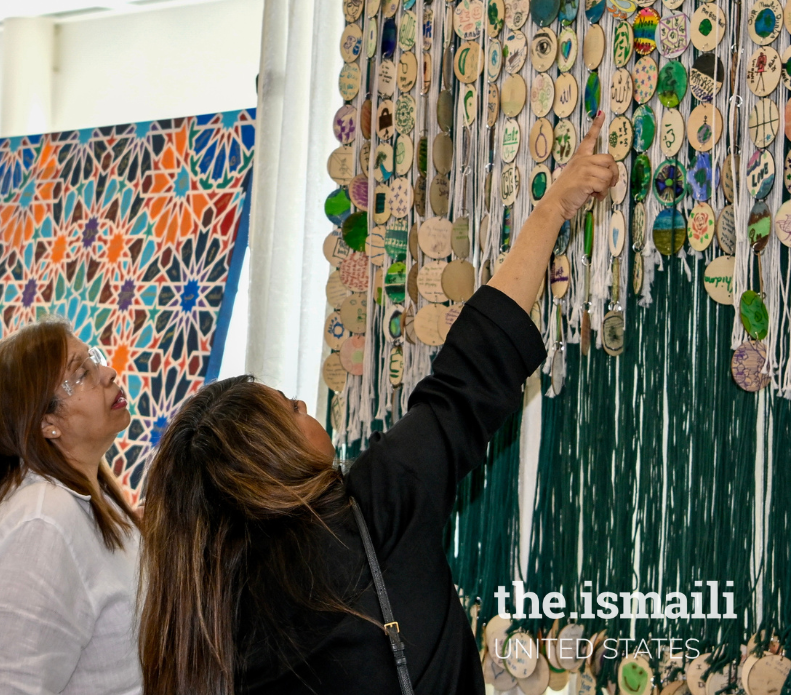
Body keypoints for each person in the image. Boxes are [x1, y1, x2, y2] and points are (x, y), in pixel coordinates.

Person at [139, 115, 617, 695]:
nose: (308, 411)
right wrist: (552, 209)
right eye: (293, 407)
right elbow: (470, 372)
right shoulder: (368, 513)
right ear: (274, 457)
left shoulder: (207, 626)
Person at [0, 320, 142, 695]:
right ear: (47, 422)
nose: (109, 373)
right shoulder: (40, 523)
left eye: (93, 360)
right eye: (82, 373)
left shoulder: (80, 497)